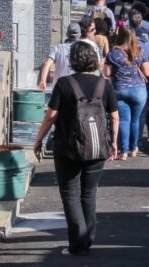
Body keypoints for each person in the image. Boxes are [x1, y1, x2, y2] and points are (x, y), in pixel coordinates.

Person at [32, 41, 119, 255]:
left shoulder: (64, 84)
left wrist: (39, 139)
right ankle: (87, 238)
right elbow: (114, 116)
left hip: (67, 146)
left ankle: (76, 243)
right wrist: (113, 142)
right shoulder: (104, 84)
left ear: (72, 60)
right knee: (89, 194)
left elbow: (51, 115)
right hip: (98, 146)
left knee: (70, 193)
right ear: (93, 60)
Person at [104, 26, 149, 159]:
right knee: (135, 120)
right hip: (139, 90)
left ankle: (123, 151)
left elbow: (106, 73)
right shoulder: (139, 51)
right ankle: (134, 148)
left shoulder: (113, 53)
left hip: (120, 89)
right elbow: (147, 72)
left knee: (124, 120)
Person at [38, 23, 83, 90]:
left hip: (59, 87)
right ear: (80, 35)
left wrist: (43, 80)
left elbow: (46, 63)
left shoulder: (58, 48)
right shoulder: (82, 49)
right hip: (77, 88)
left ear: (67, 34)